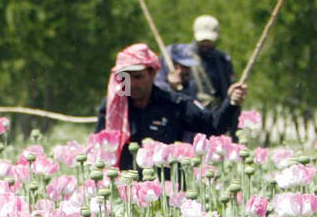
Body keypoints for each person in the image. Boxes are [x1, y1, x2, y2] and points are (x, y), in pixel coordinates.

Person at [94, 43, 247, 170]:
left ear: (152, 74)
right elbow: (99, 148)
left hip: (166, 191)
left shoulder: (173, 104)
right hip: (124, 191)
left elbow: (214, 125)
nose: (132, 84)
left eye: (138, 77)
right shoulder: (113, 108)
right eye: (125, 77)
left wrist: (231, 103)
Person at [192, 15, 235, 104]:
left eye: (209, 41)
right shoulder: (182, 58)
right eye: (202, 40)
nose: (206, 44)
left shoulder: (223, 60)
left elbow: (229, 88)